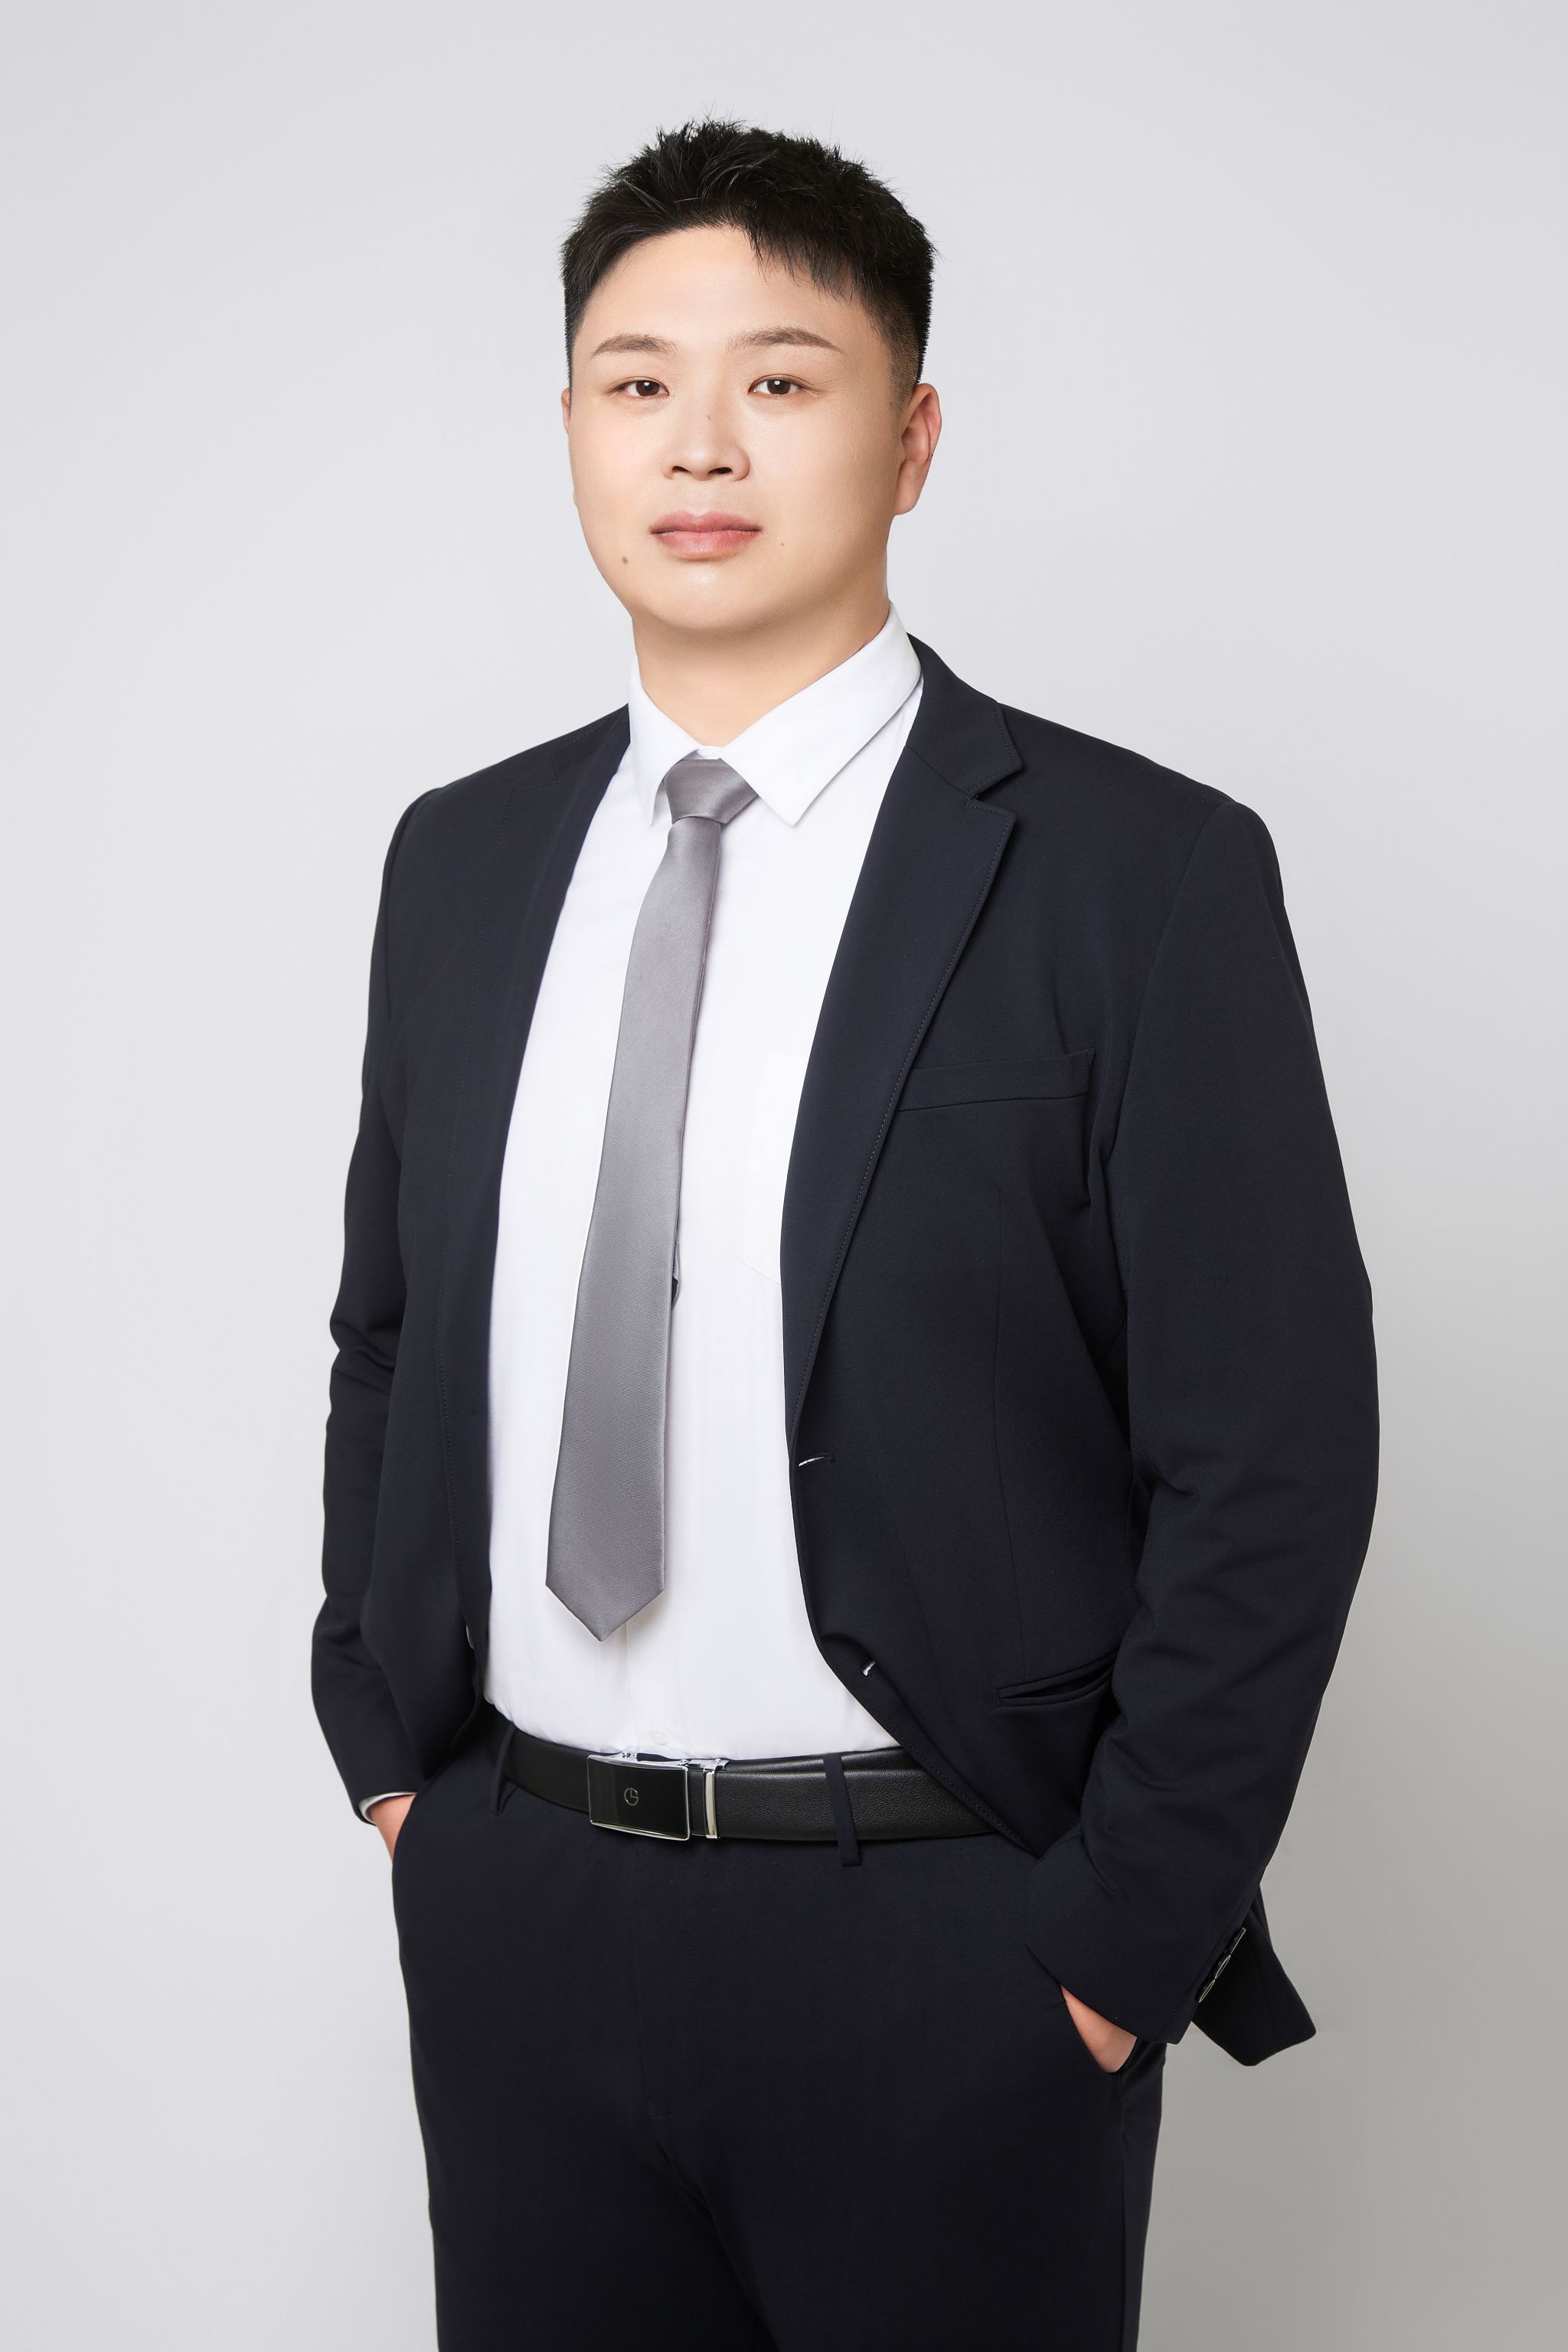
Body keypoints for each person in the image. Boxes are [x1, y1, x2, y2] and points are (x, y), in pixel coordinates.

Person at [312, 116, 1379, 2351]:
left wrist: (1116, 1943)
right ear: (572, 425)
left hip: (949, 1930)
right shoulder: (462, 862)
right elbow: (396, 1336)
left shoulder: (1134, 871)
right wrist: (397, 1764)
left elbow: (1270, 1447)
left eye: (780, 382)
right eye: (637, 382)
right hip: (521, 1910)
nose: (699, 443)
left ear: (910, 439)